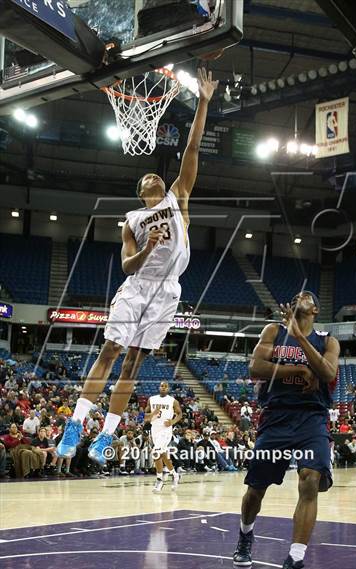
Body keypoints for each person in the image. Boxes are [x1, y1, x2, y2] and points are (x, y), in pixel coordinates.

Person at [56, 68, 219, 464]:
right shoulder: (131, 220)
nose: (153, 176)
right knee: (112, 348)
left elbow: (192, 150)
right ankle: (76, 423)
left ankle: (105, 435)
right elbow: (128, 266)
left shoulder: (178, 197)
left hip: (169, 291)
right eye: (146, 176)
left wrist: (204, 101)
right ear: (140, 191)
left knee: (134, 361)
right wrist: (149, 250)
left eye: (156, 174)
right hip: (139, 285)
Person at [233, 291, 340, 569]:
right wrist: (298, 370)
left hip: (311, 418)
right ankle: (245, 535)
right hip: (276, 417)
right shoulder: (273, 330)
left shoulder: (328, 340)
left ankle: (296, 556)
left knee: (309, 480)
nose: (298, 297)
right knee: (255, 490)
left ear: (315, 310)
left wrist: (300, 337)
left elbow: (328, 373)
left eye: (306, 296)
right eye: (295, 296)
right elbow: (256, 366)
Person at [144, 381, 183, 493]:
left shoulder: (173, 401)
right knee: (162, 454)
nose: (163, 388)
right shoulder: (151, 399)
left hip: (166, 429)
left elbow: (180, 414)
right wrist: (152, 414)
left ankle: (159, 479)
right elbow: (145, 417)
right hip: (154, 429)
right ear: (159, 387)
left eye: (166, 386)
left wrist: (172, 421)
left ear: (168, 388)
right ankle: (175, 475)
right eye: (162, 386)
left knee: (155, 452)